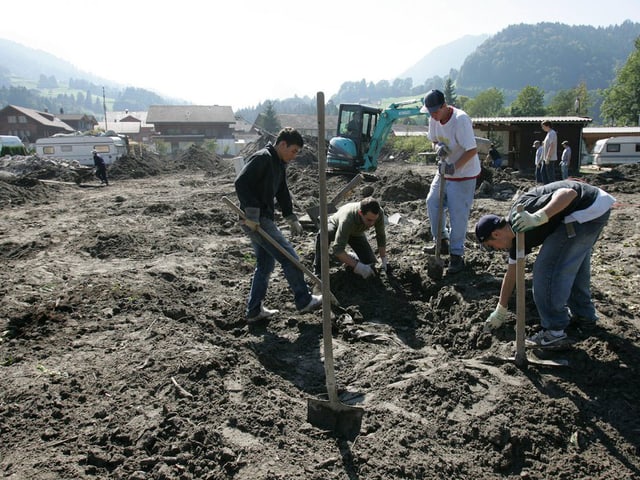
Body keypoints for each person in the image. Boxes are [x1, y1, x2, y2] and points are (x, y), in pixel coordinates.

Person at [475, 180, 616, 347]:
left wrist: (538, 217)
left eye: (492, 247)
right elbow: (512, 273)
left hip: (583, 210)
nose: (497, 250)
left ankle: (554, 332)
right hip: (594, 209)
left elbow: (569, 194)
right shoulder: (517, 238)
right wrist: (501, 309)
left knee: (546, 271)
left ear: (496, 234)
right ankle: (584, 316)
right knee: (574, 267)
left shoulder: (523, 213)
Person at [234, 127, 322, 323]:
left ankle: (254, 310)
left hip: (263, 219)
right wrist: (252, 214)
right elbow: (241, 182)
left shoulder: (278, 164)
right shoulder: (263, 158)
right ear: (282, 144)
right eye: (293, 151)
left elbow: (282, 191)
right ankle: (304, 300)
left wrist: (291, 216)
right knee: (290, 258)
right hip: (257, 220)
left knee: (265, 265)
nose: (294, 156)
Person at [421, 89, 481, 275]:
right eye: (430, 113)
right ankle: (442, 241)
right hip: (444, 172)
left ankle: (457, 255)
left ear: (445, 106)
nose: (433, 116)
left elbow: (472, 150)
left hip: (464, 174)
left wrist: (454, 167)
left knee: (458, 214)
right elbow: (433, 139)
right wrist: (438, 146)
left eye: (435, 112)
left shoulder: (461, 120)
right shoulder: (433, 119)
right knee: (432, 202)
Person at [313, 196, 387, 280]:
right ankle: (319, 271)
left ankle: (352, 257)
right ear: (360, 213)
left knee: (371, 264)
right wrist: (359, 267)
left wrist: (383, 258)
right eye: (369, 220)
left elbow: (381, 235)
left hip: (356, 233)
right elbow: (338, 249)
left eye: (375, 220)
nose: (372, 223)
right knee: (325, 234)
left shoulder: (379, 212)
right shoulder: (347, 219)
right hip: (336, 226)